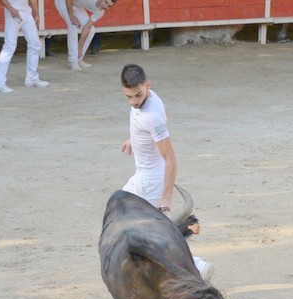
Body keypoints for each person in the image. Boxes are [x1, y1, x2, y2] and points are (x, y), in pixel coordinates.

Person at [119, 64, 214, 280]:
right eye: (129, 97)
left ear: (147, 85)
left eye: (138, 95)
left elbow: (170, 157)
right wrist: (134, 138)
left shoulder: (150, 115)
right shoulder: (152, 99)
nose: (134, 101)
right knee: (122, 215)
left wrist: (166, 196)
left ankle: (197, 266)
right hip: (142, 176)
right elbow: (158, 120)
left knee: (152, 233)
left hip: (151, 181)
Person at [0, 0, 49, 93]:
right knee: (9, 47)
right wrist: (11, 9)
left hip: (26, 13)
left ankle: (32, 78)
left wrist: (37, 13)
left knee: (35, 44)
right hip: (13, 13)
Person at [54, 0, 116, 71]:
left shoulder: (100, 12)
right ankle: (73, 61)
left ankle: (79, 59)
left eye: (109, 6)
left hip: (77, 6)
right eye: (105, 2)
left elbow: (87, 27)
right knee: (73, 25)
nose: (105, 6)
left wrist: (80, 48)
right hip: (63, 2)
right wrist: (71, 15)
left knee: (91, 30)